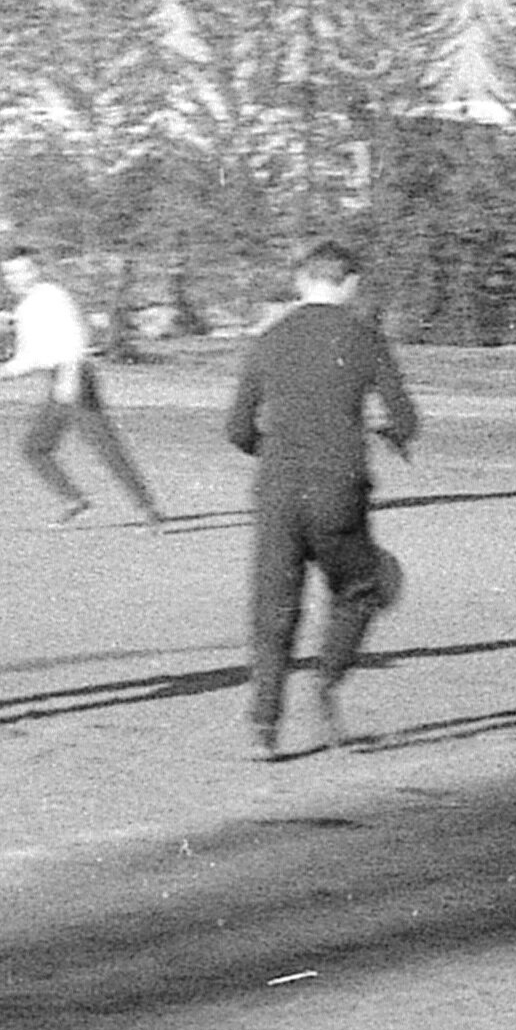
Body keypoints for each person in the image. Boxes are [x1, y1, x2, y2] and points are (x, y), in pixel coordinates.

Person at [223, 240, 417, 759]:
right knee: (364, 584)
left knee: (273, 606)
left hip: (278, 491)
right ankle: (327, 680)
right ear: (350, 283)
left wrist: (276, 451)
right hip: (338, 489)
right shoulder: (364, 336)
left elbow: (237, 429)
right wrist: (388, 434)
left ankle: (264, 725)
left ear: (300, 281)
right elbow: (405, 419)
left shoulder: (268, 339)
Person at [0, 246, 171, 532]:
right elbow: (30, 356)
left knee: (104, 446)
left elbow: (76, 339)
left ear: (36, 270)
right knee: (35, 448)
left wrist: (69, 380)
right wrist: (1, 374)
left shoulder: (53, 297)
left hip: (74, 378)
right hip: (58, 380)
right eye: (9, 273)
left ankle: (150, 512)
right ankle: (74, 500)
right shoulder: (25, 308)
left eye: (22, 271)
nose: (15, 278)